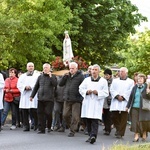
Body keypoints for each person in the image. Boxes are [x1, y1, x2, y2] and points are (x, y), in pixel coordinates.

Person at [79, 64, 108, 144]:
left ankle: (93, 136)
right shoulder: (86, 80)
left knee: (95, 120)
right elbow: (81, 89)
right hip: (88, 102)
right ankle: (90, 135)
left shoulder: (103, 81)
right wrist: (86, 92)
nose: (94, 71)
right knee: (88, 120)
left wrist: (98, 92)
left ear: (98, 71)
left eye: (95, 70)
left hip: (96, 103)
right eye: (92, 70)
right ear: (90, 71)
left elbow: (106, 92)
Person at [30, 63, 57, 134]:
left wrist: (51, 77)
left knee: (48, 113)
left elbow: (55, 84)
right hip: (41, 98)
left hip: (49, 98)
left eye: (47, 68)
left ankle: (49, 126)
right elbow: (36, 87)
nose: (45, 69)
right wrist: (32, 96)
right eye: (44, 68)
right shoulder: (40, 77)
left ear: (49, 69)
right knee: (40, 113)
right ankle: (41, 128)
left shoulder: (53, 76)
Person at [59, 62, 84, 137]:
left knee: (75, 116)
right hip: (67, 98)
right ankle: (72, 126)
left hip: (76, 99)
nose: (71, 70)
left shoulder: (80, 76)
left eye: (73, 68)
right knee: (65, 115)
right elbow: (60, 84)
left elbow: (83, 87)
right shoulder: (67, 76)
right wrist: (64, 77)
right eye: (70, 68)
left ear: (76, 68)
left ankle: (72, 131)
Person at [110, 67, 134, 138]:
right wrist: (117, 96)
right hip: (116, 101)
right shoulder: (115, 81)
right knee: (114, 116)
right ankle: (118, 129)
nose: (121, 73)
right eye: (120, 71)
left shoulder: (131, 81)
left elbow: (130, 91)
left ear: (126, 73)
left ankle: (120, 133)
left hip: (125, 101)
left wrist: (123, 97)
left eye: (122, 71)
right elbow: (112, 89)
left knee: (124, 118)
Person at [126, 74, 150, 142]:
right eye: (138, 79)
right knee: (135, 122)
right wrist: (127, 106)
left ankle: (144, 133)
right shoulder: (135, 87)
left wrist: (148, 93)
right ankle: (136, 136)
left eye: (141, 79)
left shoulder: (147, 87)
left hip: (144, 108)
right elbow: (131, 97)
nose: (139, 80)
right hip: (134, 107)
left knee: (143, 122)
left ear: (144, 80)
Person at [17, 62, 40, 131]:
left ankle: (36, 125)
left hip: (33, 95)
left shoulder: (37, 75)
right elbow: (19, 84)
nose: (31, 67)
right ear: (27, 67)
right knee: (24, 111)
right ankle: (26, 126)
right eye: (29, 66)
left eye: (32, 66)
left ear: (34, 67)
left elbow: (38, 83)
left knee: (34, 111)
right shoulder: (22, 76)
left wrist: (31, 87)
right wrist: (25, 87)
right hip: (25, 95)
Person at [103, 68, 113, 135]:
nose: (106, 76)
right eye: (105, 75)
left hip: (110, 100)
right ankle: (106, 127)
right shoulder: (103, 81)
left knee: (108, 115)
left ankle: (108, 129)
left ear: (110, 75)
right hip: (103, 100)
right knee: (104, 115)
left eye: (107, 75)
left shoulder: (113, 82)